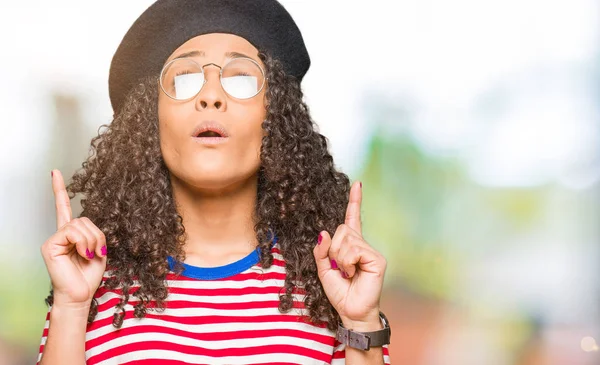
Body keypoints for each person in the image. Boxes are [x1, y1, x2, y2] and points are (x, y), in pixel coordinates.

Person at [36, 0, 392, 364]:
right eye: (186, 78)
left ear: (278, 117)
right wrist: (71, 306)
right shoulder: (89, 287)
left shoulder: (328, 287)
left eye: (240, 78)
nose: (210, 96)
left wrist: (359, 320)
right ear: (150, 120)